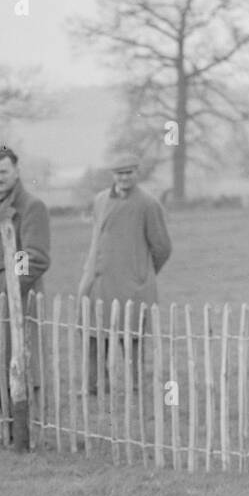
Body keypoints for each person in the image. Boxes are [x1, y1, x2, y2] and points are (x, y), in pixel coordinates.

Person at [77, 153, 171, 393]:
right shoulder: (100, 200)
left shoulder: (148, 204)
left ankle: (136, 386)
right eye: (119, 173)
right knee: (95, 335)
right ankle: (96, 385)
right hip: (99, 281)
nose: (124, 178)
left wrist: (143, 272)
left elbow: (162, 247)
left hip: (131, 285)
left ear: (136, 174)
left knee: (132, 338)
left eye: (129, 172)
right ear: (113, 175)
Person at [0, 146, 50, 407]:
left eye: (4, 171)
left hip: (13, 300)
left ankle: (23, 429)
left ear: (17, 171)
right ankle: (8, 426)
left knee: (16, 364)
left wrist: (7, 288)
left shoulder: (30, 206)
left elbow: (35, 256)